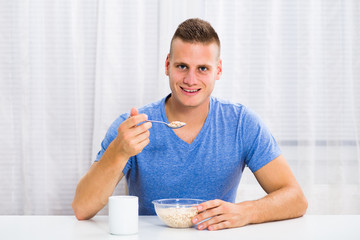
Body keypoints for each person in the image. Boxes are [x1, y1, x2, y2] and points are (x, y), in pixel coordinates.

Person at [72, 18, 308, 231]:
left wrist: (246, 212)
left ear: (219, 70)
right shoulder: (132, 126)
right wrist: (118, 152)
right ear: (167, 65)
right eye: (182, 66)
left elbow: (296, 198)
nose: (190, 80)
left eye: (203, 69)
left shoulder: (241, 124)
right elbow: (82, 208)